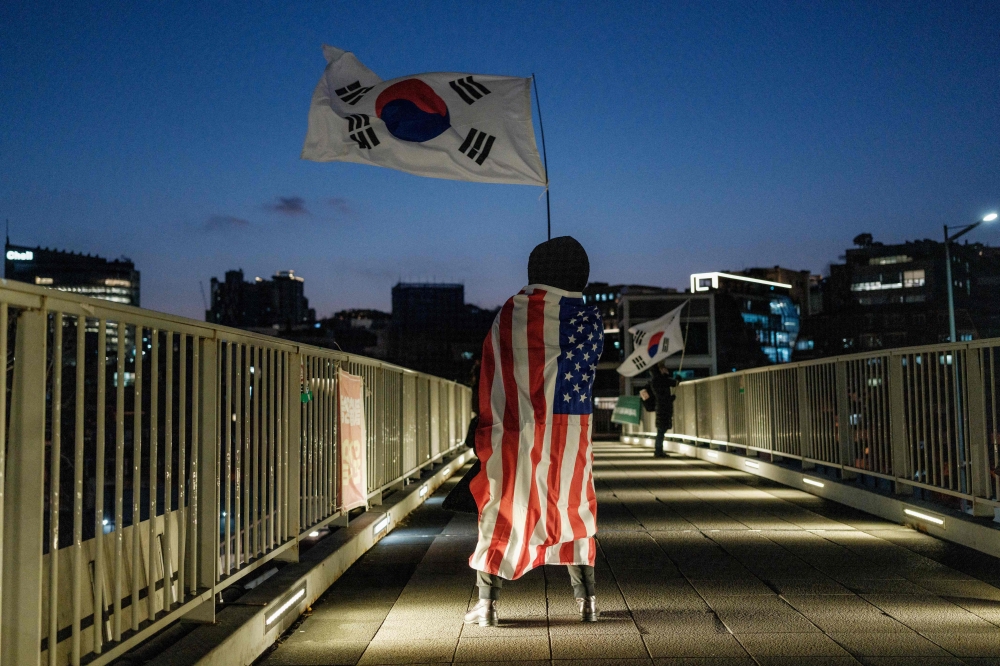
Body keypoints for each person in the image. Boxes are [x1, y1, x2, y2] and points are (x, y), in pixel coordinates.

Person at [463, 236, 602, 627]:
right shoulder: (589, 320)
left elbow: (493, 370)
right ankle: (587, 601)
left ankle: (488, 605)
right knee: (573, 504)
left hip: (514, 433)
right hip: (570, 430)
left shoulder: (510, 314)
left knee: (502, 506)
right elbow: (587, 367)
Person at [640, 363, 677, 458]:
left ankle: (659, 450)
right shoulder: (659, 380)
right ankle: (658, 451)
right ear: (660, 370)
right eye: (664, 369)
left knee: (661, 430)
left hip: (661, 408)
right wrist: (670, 399)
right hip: (663, 408)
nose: (667, 370)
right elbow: (671, 385)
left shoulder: (657, 380)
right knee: (661, 431)